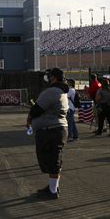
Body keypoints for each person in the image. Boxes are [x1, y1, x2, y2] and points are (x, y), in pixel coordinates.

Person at [26, 68, 69, 200]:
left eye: (49, 76)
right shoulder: (60, 91)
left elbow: (37, 110)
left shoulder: (52, 91)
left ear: (54, 78)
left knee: (52, 161)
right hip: (55, 129)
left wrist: (29, 118)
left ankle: (52, 191)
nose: (47, 78)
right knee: (53, 160)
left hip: (51, 131)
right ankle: (53, 187)